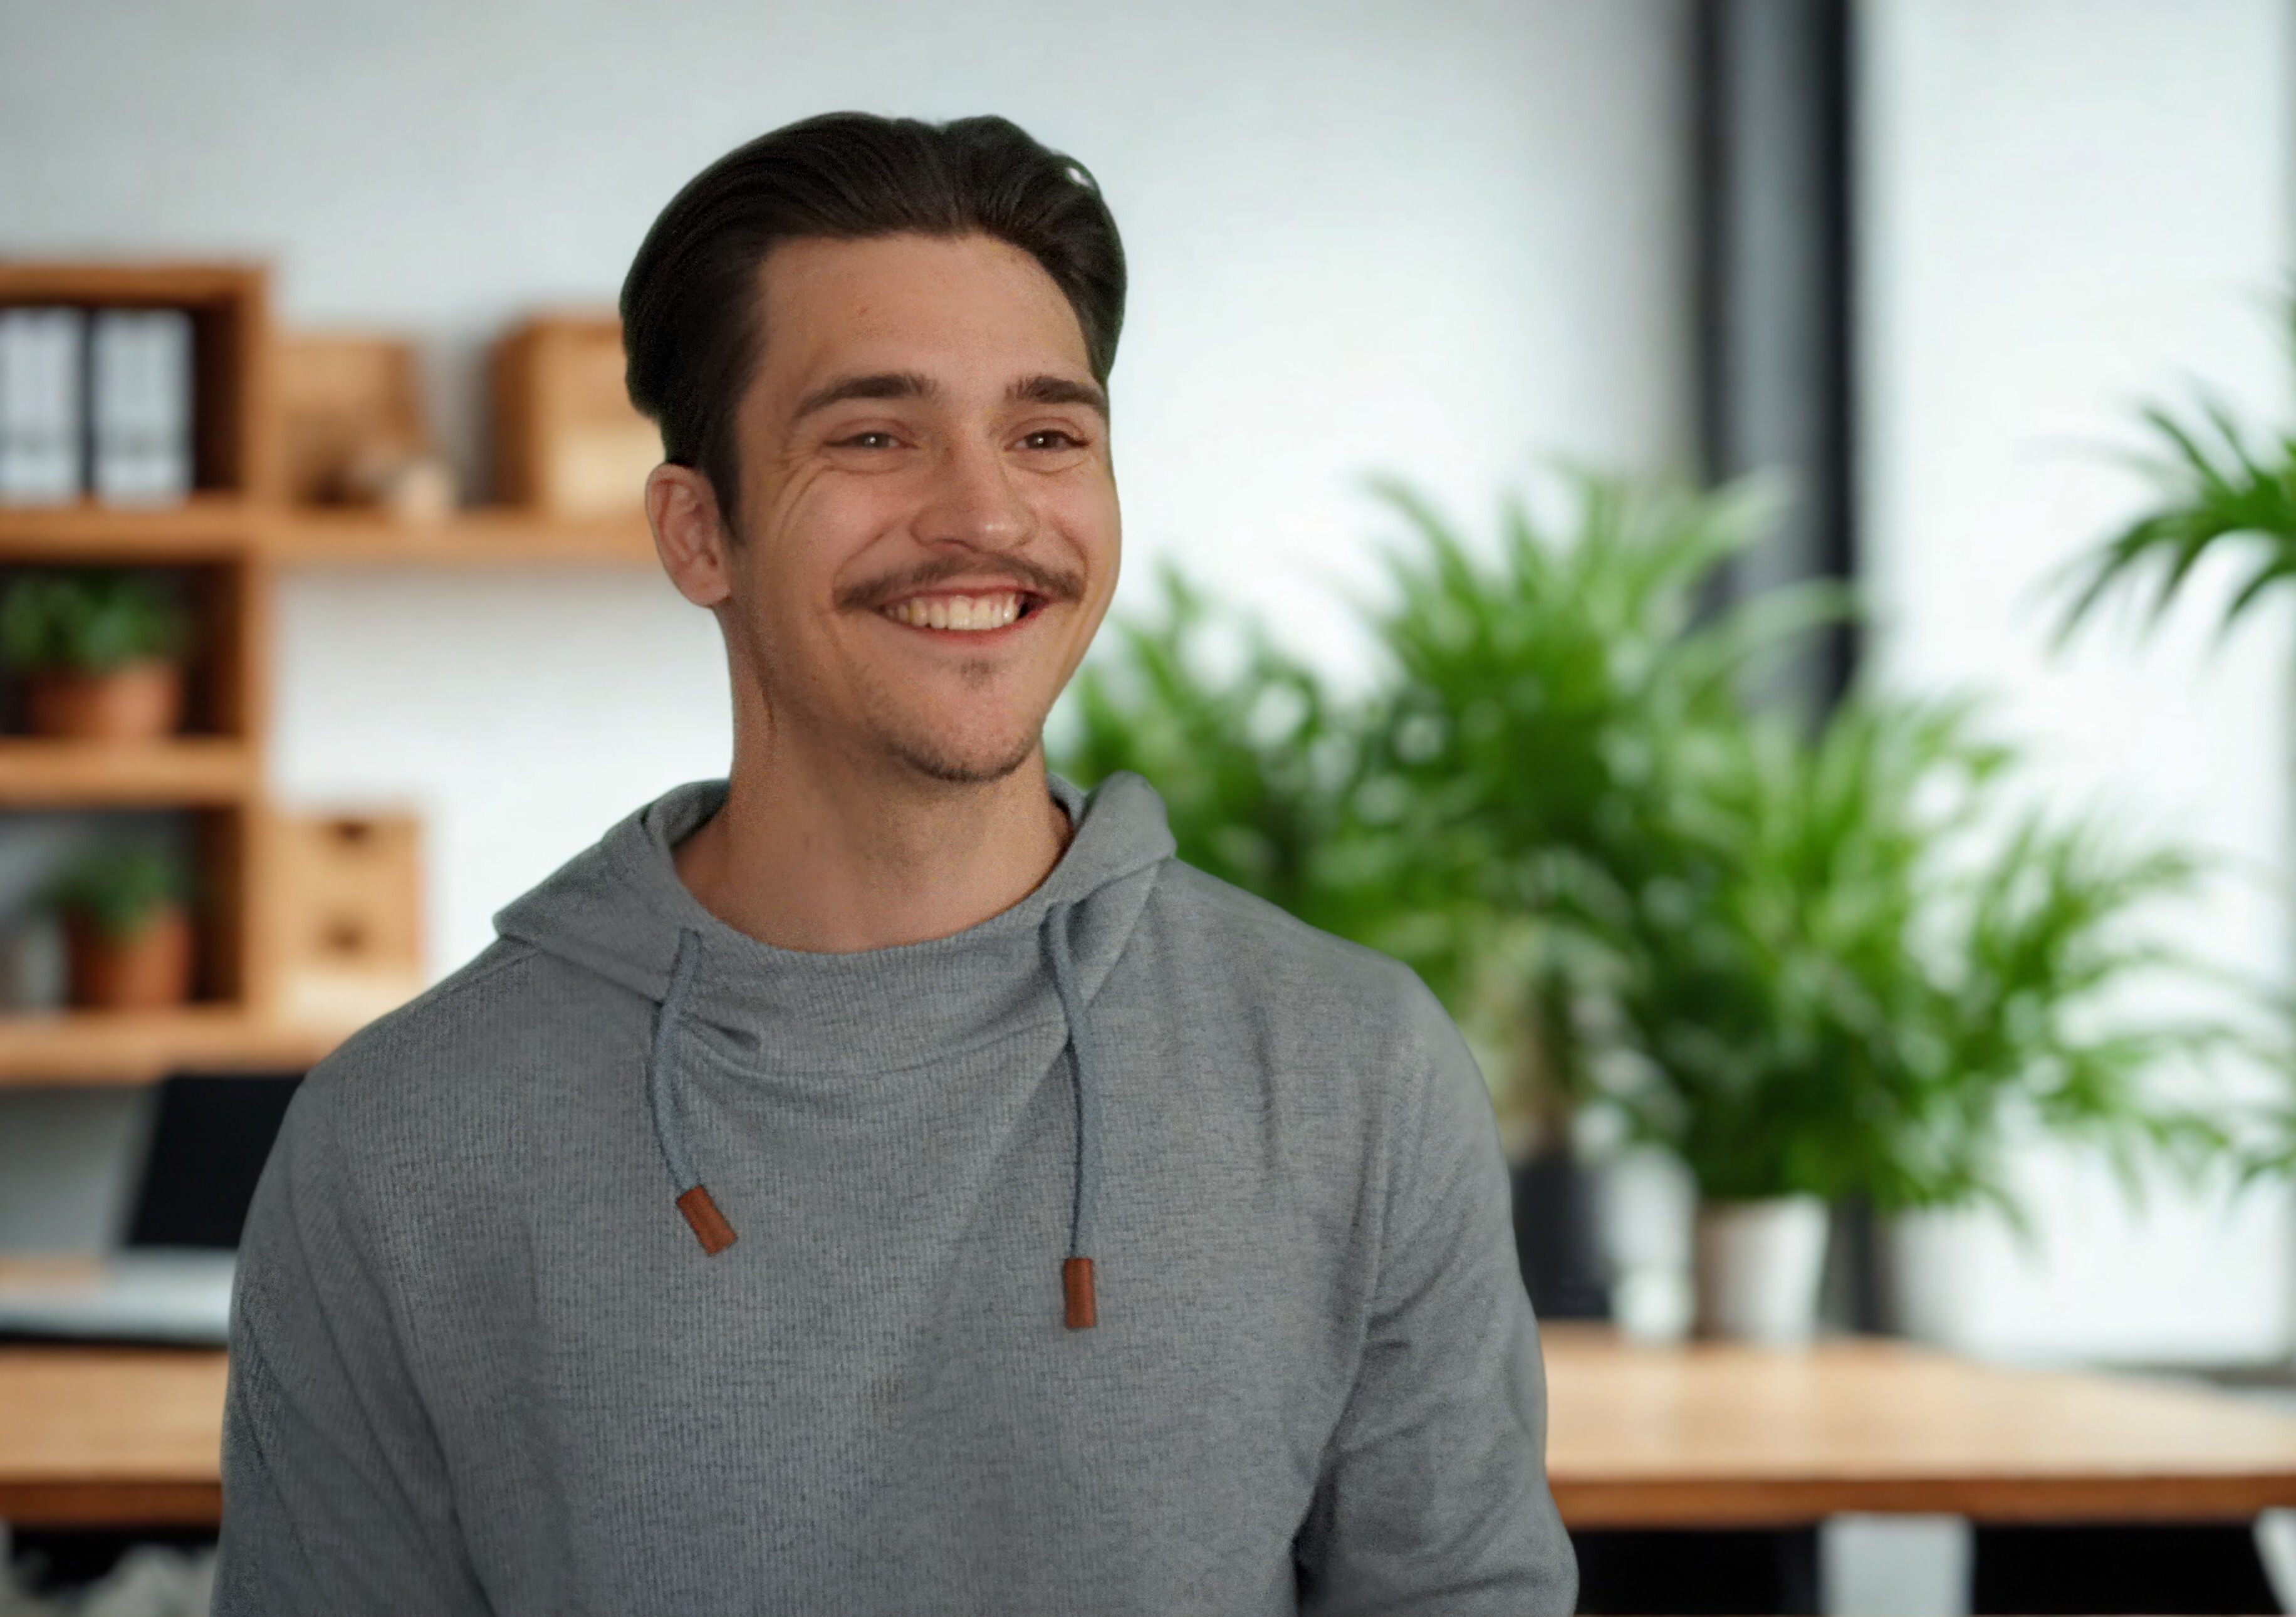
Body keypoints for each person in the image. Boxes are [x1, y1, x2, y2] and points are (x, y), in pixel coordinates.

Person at [212, 112, 1576, 1616]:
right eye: (873, 435)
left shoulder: (1352, 1076)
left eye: (1046, 436)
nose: (987, 515)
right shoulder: (399, 1143)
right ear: (697, 533)